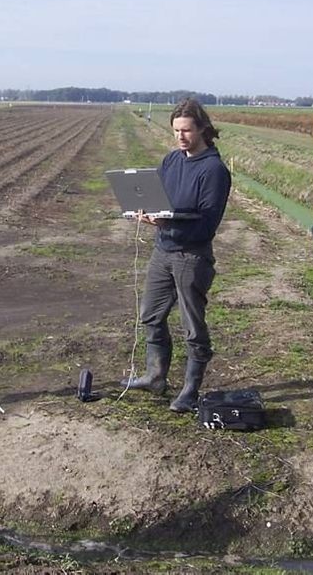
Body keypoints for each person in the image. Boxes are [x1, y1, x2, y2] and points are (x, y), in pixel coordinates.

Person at [123, 98, 232, 412]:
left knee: (192, 327)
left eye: (186, 130)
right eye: (176, 131)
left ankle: (190, 389)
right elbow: (158, 198)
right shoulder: (171, 161)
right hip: (163, 251)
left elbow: (207, 225)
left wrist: (167, 221)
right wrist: (147, 214)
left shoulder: (213, 170)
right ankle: (155, 376)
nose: (180, 136)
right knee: (150, 315)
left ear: (202, 130)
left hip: (191, 258)